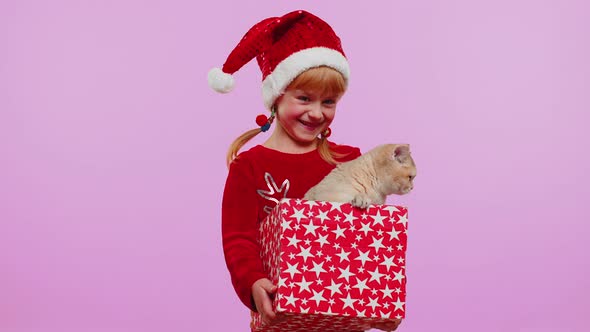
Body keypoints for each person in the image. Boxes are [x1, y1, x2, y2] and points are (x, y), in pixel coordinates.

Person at [208, 10, 401, 332]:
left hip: (345, 317)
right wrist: (254, 282)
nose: (316, 113)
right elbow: (239, 239)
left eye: (329, 102)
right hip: (281, 317)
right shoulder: (250, 166)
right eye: (304, 98)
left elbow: (373, 237)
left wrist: (385, 294)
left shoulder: (350, 159)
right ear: (276, 98)